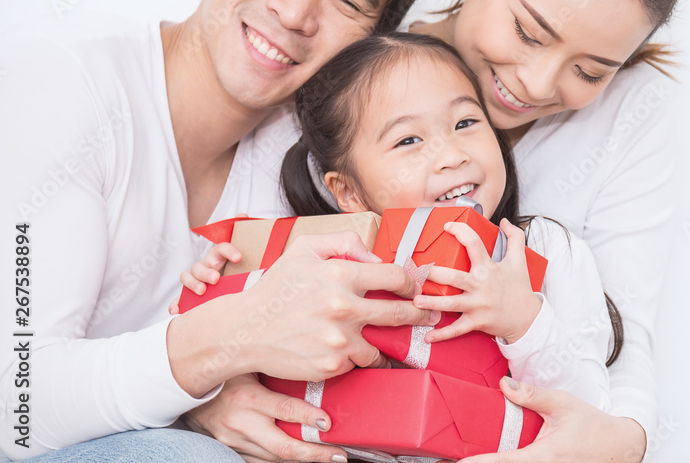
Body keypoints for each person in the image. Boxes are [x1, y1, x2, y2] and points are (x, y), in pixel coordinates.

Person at [0, 0, 433, 462]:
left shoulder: (308, 162)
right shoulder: (58, 82)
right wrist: (222, 354)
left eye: (346, 2)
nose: (295, 11)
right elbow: (17, 406)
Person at [410, 0, 687, 462]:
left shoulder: (632, 109)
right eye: (529, 32)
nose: (536, 84)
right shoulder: (375, 67)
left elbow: (621, 329)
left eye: (590, 70)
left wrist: (620, 442)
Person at [181, 32, 617, 418]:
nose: (451, 154)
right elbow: (244, 370)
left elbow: (593, 415)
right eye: (409, 140)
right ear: (348, 191)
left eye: (466, 123)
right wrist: (222, 290)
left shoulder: (544, 249)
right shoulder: (329, 262)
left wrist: (522, 320)